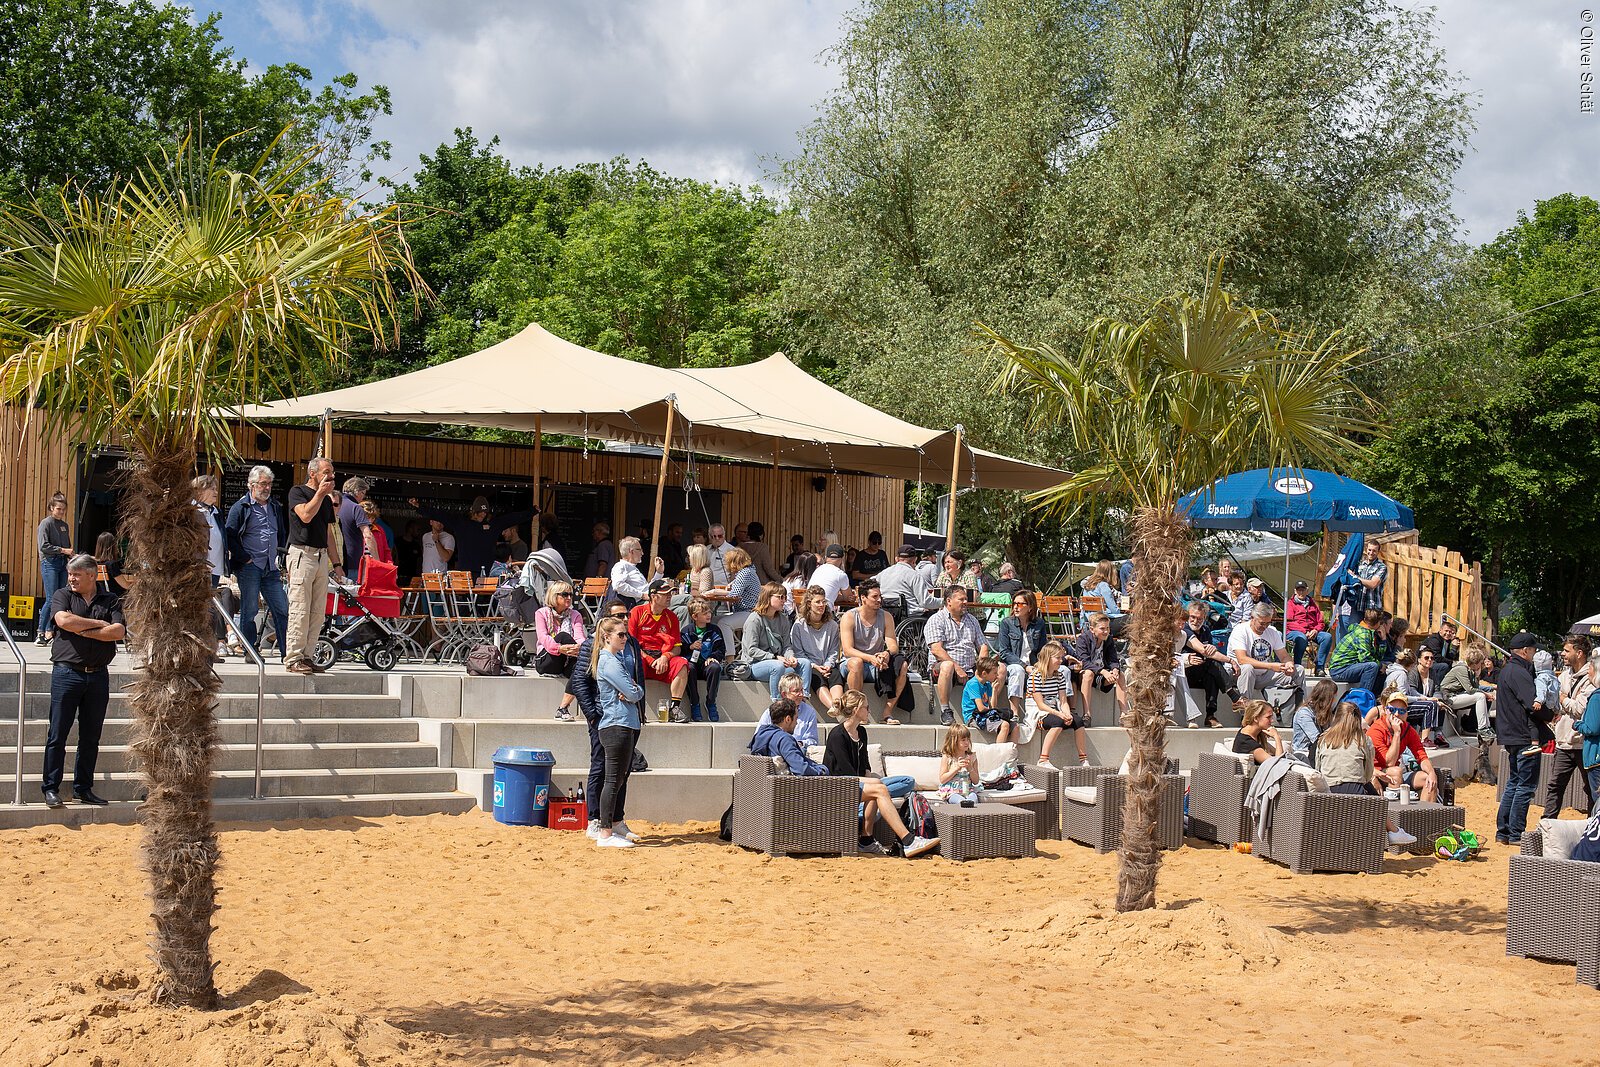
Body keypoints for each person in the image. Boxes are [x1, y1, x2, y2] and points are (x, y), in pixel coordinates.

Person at [39, 555, 125, 807]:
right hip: (67, 674)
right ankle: (51, 788)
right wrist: (99, 625)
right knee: (57, 734)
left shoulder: (110, 599)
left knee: (90, 737)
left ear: (92, 575)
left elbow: (118, 631)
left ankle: (83, 789)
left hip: (98, 676)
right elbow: (63, 621)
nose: (71, 579)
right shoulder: (62, 595)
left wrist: (80, 628)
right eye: (70, 574)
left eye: (76, 574)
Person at [822, 691, 932, 855]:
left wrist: (870, 780)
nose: (870, 711)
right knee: (879, 788)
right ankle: (908, 840)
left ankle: (866, 840)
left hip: (859, 783)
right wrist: (873, 783)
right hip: (840, 786)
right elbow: (846, 774)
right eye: (866, 707)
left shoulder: (861, 732)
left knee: (906, 781)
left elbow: (865, 764)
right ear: (856, 710)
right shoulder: (837, 735)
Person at [1315, 701, 1417, 848]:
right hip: (1355, 795)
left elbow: (1318, 769)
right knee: (1371, 791)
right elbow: (1368, 774)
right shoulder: (1363, 740)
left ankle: (1393, 831)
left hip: (1326, 794)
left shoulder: (1323, 739)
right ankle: (1393, 831)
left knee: (1366, 787)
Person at [284, 457, 341, 675]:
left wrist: (337, 564)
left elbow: (328, 533)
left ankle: (307, 656)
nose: (330, 476)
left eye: (332, 472)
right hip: (302, 554)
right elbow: (305, 516)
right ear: (312, 473)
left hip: (321, 556)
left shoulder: (326, 500)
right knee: (300, 608)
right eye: (326, 472)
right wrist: (320, 494)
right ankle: (293, 658)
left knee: (317, 611)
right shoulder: (297, 492)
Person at [224, 465, 288, 658]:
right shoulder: (241, 507)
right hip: (250, 567)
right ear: (251, 485)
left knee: (282, 609)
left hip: (271, 567)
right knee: (250, 609)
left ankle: (287, 653)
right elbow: (230, 536)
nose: (267, 488)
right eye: (263, 484)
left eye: (269, 484)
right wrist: (245, 559)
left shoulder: (275, 506)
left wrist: (281, 557)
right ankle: (250, 650)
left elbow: (282, 533)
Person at [592, 618, 645, 848]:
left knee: (619, 778)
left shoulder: (615, 660)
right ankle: (605, 833)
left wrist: (634, 690)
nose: (625, 638)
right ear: (607, 637)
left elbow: (635, 690)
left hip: (624, 722)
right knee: (613, 779)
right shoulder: (609, 661)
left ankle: (613, 825)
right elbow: (633, 693)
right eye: (620, 635)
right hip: (616, 724)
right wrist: (635, 690)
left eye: (626, 634)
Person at [1495, 632, 1551, 845]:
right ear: (1526, 651)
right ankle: (1515, 832)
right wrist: (1550, 714)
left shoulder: (1507, 670)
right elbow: (1532, 704)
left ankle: (1503, 832)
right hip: (1524, 735)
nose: (1535, 653)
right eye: (1533, 650)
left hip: (1511, 734)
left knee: (1515, 782)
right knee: (1525, 786)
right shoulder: (1519, 672)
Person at [409, 495, 536, 578]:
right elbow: (441, 515)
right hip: (465, 574)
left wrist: (532, 512)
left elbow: (512, 518)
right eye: (480, 512)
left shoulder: (492, 525)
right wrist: (419, 507)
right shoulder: (462, 523)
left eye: (485, 512)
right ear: (473, 512)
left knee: (484, 605)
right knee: (466, 606)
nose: (483, 515)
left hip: (486, 573)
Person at [839, 578, 910, 724]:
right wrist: (869, 658)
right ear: (863, 598)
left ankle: (887, 712)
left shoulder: (886, 616)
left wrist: (886, 653)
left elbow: (893, 645)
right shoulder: (849, 617)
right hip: (852, 663)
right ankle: (856, 712)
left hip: (876, 664)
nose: (879, 600)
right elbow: (847, 650)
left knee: (902, 665)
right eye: (875, 597)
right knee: (856, 663)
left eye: (880, 596)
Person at [1544, 635, 1597, 816]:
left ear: (1579, 653)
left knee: (1591, 789)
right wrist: (1565, 701)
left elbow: (1580, 709)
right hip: (1563, 742)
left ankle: (1592, 825)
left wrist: (1563, 698)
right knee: (1554, 787)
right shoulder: (1564, 675)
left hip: (1584, 744)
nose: (1562, 654)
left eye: (1567, 650)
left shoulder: (1592, 677)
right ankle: (1547, 823)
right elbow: (1555, 703)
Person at [925, 585, 989, 726]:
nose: (965, 602)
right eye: (961, 599)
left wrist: (982, 667)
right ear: (949, 601)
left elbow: (983, 646)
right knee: (948, 666)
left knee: (1000, 669)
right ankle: (945, 711)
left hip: (970, 668)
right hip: (943, 668)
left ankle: (989, 709)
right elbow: (937, 650)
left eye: (966, 599)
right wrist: (957, 668)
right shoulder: (936, 619)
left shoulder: (972, 620)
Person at [629, 578, 690, 721]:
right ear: (653, 596)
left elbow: (677, 648)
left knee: (682, 664)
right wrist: (650, 659)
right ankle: (637, 708)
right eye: (665, 594)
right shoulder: (637, 612)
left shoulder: (671, 617)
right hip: (643, 656)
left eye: (670, 593)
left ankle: (674, 709)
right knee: (634, 662)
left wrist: (665, 657)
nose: (669, 597)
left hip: (662, 658)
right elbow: (631, 644)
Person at [741, 582, 813, 699]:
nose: (784, 600)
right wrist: (774, 657)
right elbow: (751, 650)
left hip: (779, 662)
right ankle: (777, 702)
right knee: (778, 667)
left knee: (805, 663)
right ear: (768, 597)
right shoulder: (755, 620)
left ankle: (802, 699)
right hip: (754, 664)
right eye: (780, 597)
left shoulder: (783, 619)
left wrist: (791, 657)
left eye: (785, 597)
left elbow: (787, 646)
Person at [1369, 690, 1440, 803]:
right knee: (1396, 772)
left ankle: (1425, 812)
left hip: (1395, 773)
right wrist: (1397, 733)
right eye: (1392, 710)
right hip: (1374, 773)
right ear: (1385, 710)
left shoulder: (1407, 729)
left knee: (1428, 780)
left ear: (1407, 713)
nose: (1397, 714)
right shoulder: (1377, 729)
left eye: (1401, 711)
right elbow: (1389, 762)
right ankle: (1394, 812)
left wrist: (1431, 773)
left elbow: (1421, 756)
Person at [1179, 599, 1238, 728]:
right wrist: (1230, 660)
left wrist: (1212, 649)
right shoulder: (1185, 629)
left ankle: (1210, 716)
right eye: (1193, 617)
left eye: (1199, 619)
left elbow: (1209, 652)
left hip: (1201, 670)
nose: (1195, 621)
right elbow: (1204, 651)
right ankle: (1235, 697)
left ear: (1204, 618)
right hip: (1185, 672)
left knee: (1211, 675)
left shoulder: (1206, 630)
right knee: (1212, 663)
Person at [1228, 602, 1304, 701]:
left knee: (1299, 670)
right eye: (1262, 623)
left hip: (1264, 675)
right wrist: (1270, 666)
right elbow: (1242, 659)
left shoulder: (1272, 631)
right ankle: (1245, 707)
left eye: (1268, 623)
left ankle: (1299, 706)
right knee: (1247, 668)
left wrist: (1289, 664)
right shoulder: (1240, 630)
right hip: (1240, 675)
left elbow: (1284, 656)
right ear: (1252, 618)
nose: (1265, 626)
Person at [1031, 640, 1088, 769]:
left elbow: (1063, 701)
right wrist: (1060, 715)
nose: (1060, 661)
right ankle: (1043, 759)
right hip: (1039, 713)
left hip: (1055, 708)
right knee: (1058, 722)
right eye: (1057, 658)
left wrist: (1067, 714)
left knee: (1078, 721)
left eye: (1061, 658)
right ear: (1048, 658)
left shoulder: (1060, 676)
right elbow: (1040, 705)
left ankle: (1083, 759)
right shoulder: (1035, 676)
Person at [191, 475, 230, 659]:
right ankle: (201, 649)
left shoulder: (216, 512)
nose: (216, 492)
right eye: (212, 488)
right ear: (200, 490)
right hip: (199, 568)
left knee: (210, 610)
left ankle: (209, 648)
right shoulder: (192, 510)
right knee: (201, 610)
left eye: (216, 488)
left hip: (214, 568)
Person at [533, 582, 586, 717]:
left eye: (571, 594)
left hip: (567, 659)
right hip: (547, 661)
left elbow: (579, 637)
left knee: (582, 668)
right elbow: (543, 638)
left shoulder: (575, 615)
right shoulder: (541, 613)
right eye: (565, 594)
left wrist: (579, 647)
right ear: (554, 596)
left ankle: (563, 708)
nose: (569, 597)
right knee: (563, 636)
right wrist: (559, 648)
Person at [791, 590, 843, 715]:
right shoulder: (799, 625)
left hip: (827, 664)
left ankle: (838, 705)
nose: (821, 605)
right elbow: (798, 652)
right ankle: (834, 708)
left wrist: (828, 665)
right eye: (818, 602)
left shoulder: (832, 625)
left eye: (823, 602)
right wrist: (815, 666)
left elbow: (834, 650)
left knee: (835, 675)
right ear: (809, 604)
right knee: (817, 677)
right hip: (810, 666)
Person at [998, 590, 1047, 717]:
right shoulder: (1006, 623)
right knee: (1018, 670)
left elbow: (1043, 650)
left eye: (1020, 604)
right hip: (1012, 665)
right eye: (1014, 603)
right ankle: (1014, 713)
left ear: (1030, 607)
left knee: (1063, 670)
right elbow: (1004, 652)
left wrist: (1041, 665)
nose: (1015, 607)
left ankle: (1065, 711)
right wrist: (1025, 667)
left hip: (1034, 665)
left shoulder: (1039, 623)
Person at [749, 697, 826, 774]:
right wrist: (821, 771)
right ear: (788, 719)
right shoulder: (785, 740)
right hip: (792, 781)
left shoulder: (760, 735)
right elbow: (801, 769)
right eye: (796, 719)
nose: (796, 723)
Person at [34, 491, 72, 645]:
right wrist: (62, 550)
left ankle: (52, 631)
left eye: (63, 509)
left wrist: (71, 555)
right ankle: (40, 632)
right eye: (58, 509)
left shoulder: (64, 526)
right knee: (51, 598)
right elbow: (44, 546)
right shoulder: (46, 523)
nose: (61, 512)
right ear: (51, 508)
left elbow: (67, 546)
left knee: (59, 598)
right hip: (49, 563)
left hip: (63, 563)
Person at [1072, 612, 1127, 717]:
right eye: (1102, 629)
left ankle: (1124, 714)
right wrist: (1103, 671)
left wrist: (1115, 669)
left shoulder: (1108, 639)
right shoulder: (1083, 639)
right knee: (1088, 673)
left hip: (1101, 676)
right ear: (1092, 629)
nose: (1106, 632)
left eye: (1108, 628)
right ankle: (1087, 714)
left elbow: (1113, 659)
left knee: (1120, 675)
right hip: (1085, 676)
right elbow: (1084, 662)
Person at [681, 597, 725, 722]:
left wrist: (713, 657)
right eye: (705, 613)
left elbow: (721, 649)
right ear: (695, 616)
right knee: (689, 668)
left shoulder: (714, 630)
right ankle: (694, 703)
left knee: (715, 668)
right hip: (693, 664)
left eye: (709, 612)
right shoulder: (686, 631)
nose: (709, 615)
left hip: (707, 666)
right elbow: (680, 650)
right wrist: (690, 647)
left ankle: (711, 702)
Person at [1327, 608, 1384, 695]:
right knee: (1372, 666)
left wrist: (1383, 640)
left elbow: (1378, 656)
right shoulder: (1363, 634)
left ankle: (1374, 696)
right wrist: (1380, 666)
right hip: (1339, 670)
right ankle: (1362, 697)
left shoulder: (1365, 630)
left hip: (1349, 667)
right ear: (1377, 623)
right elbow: (1365, 659)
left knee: (1377, 669)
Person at [714, 546, 761, 651]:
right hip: (744, 611)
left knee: (723, 623)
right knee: (713, 620)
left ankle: (729, 655)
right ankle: (717, 651)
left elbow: (734, 595)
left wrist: (714, 592)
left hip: (749, 612)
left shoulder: (745, 573)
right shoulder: (748, 571)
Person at [1441, 645, 1493, 733]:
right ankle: (1482, 729)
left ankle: (1487, 727)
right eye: (1480, 663)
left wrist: (1477, 675)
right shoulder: (1461, 668)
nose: (1482, 665)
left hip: (1458, 695)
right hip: (1449, 697)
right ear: (1475, 663)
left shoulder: (1470, 670)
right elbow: (1470, 690)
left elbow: (1475, 687)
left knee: (1485, 698)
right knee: (1480, 696)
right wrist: (1486, 693)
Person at [1405, 648, 1450, 749]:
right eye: (1426, 658)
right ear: (1419, 660)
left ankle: (1438, 735)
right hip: (1413, 703)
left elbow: (1437, 690)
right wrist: (1427, 699)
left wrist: (1437, 699)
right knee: (1432, 704)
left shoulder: (1432, 672)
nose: (1429, 660)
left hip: (1426, 702)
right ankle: (1424, 739)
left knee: (1440, 704)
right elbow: (1412, 691)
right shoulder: (1413, 672)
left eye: (1432, 658)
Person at [1520, 649, 1562, 758]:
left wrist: (1538, 700)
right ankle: (1547, 737)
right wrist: (1557, 709)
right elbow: (1557, 693)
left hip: (1544, 704)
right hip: (1552, 707)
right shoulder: (1553, 677)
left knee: (1532, 720)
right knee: (1539, 722)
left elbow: (1541, 690)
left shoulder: (1541, 678)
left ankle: (1534, 743)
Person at [1284, 580, 1331, 672]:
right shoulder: (1290, 603)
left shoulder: (1312, 604)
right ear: (1295, 591)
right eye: (1299, 590)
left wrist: (1315, 630)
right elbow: (1289, 622)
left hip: (1312, 631)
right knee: (1302, 638)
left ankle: (1319, 667)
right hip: (1294, 632)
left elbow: (1321, 622)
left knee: (1327, 637)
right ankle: (1297, 666)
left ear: (1307, 590)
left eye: (1303, 590)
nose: (1301, 592)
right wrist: (1304, 631)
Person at [1292, 679, 1340, 764]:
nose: (1335, 700)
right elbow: (1316, 738)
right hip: (1304, 752)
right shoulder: (1304, 713)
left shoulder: (1325, 712)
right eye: (1334, 697)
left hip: (1320, 749)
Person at [876, 544, 931, 617]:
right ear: (915, 559)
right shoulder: (914, 575)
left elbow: (868, 583)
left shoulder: (883, 573)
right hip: (911, 616)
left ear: (897, 559)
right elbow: (925, 602)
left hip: (887, 615)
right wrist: (942, 602)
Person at [961, 656, 1009, 740]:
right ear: (984, 674)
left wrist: (994, 690)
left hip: (985, 714)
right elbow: (981, 708)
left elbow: (992, 706)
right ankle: (999, 748)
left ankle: (1010, 748)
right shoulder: (973, 684)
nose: (997, 675)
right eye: (994, 673)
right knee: (1005, 725)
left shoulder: (987, 684)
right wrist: (993, 711)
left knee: (1015, 726)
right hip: (973, 717)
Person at [609, 536, 664, 610]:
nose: (642, 553)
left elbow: (647, 589)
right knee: (679, 602)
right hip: (640, 605)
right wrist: (641, 595)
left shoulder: (633, 568)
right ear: (631, 551)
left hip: (649, 600)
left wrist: (659, 572)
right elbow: (618, 585)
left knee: (679, 605)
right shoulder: (621, 566)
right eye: (639, 550)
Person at [339, 477, 379, 564]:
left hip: (334, 560)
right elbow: (368, 535)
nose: (363, 497)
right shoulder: (356, 508)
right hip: (352, 559)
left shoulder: (335, 504)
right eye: (363, 493)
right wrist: (377, 561)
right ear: (357, 492)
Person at [939, 722, 981, 805]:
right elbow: (942, 779)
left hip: (968, 790)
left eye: (968, 739)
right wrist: (957, 768)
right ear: (954, 741)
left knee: (973, 799)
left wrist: (970, 769)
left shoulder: (972, 757)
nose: (967, 742)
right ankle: (963, 805)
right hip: (952, 791)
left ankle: (969, 808)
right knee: (959, 801)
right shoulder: (948, 757)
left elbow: (976, 781)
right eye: (963, 740)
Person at [1083, 560, 1126, 637]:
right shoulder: (1103, 585)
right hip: (1104, 623)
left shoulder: (1087, 586)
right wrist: (1120, 610)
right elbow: (1114, 610)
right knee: (1132, 620)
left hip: (1090, 623)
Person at [1231, 700, 1282, 764]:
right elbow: (1278, 764)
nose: (1272, 720)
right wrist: (1277, 737)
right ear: (1256, 718)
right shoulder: (1248, 743)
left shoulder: (1255, 733)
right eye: (1268, 717)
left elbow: (1275, 752)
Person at [92, 533, 131, 607]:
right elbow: (125, 585)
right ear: (112, 546)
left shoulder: (94, 564)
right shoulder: (111, 564)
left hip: (100, 598)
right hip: (116, 598)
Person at [1420, 619, 1460, 686]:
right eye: (1446, 631)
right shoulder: (1434, 640)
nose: (1448, 633)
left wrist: (1454, 647)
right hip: (1424, 663)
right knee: (1444, 666)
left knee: (1453, 667)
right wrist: (1452, 662)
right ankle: (1438, 686)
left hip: (1433, 662)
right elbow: (1437, 657)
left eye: (1450, 632)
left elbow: (1448, 657)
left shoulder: (1446, 641)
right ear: (1440, 630)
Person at [810, 544, 851, 608]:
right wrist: (842, 597)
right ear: (842, 559)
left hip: (808, 610)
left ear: (826, 557)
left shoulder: (818, 570)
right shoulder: (840, 575)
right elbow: (848, 597)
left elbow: (828, 595)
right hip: (824, 611)